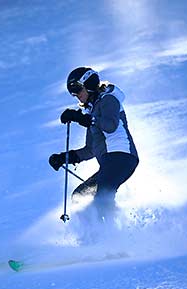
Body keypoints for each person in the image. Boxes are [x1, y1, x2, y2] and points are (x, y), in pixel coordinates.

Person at [49, 67, 139, 220]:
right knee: (80, 196)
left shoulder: (108, 99)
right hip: (109, 162)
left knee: (102, 199)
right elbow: (90, 149)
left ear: (89, 85)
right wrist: (64, 157)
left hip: (121, 157)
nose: (76, 95)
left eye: (77, 89)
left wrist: (84, 119)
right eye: (72, 93)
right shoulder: (91, 113)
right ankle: (95, 235)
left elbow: (111, 125)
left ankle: (111, 236)